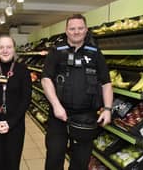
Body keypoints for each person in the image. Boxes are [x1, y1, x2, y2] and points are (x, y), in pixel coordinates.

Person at [41, 14, 113, 170]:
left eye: (80, 28)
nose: (76, 32)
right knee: (54, 158)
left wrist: (107, 108)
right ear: (66, 31)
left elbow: (106, 83)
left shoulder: (95, 53)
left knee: (80, 163)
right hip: (58, 116)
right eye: (72, 28)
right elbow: (46, 79)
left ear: (86, 30)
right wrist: (56, 105)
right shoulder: (56, 51)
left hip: (86, 118)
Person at [0, 35, 32, 170]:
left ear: (14, 49)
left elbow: (26, 99)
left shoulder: (23, 71)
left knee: (13, 164)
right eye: (1, 47)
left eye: (9, 47)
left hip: (15, 125)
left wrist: (11, 122)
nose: (5, 50)